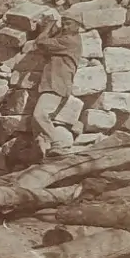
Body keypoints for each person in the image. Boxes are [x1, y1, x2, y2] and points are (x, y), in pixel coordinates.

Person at [32, 10, 84, 158]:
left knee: (40, 115)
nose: (65, 27)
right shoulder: (64, 39)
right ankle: (44, 157)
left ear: (78, 26)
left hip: (57, 85)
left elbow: (40, 42)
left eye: (69, 24)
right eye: (64, 23)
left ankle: (58, 145)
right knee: (37, 128)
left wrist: (49, 26)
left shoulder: (69, 41)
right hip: (51, 84)